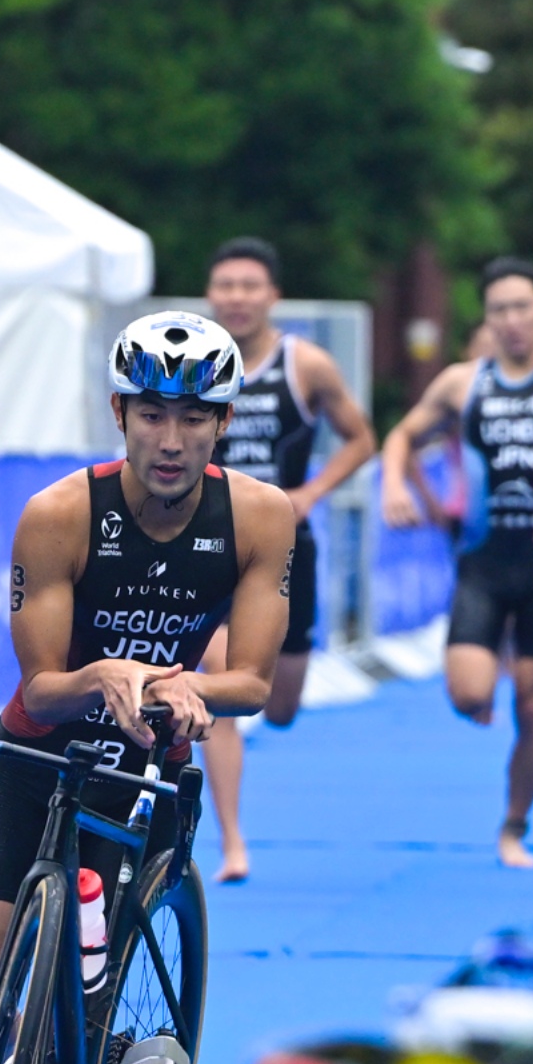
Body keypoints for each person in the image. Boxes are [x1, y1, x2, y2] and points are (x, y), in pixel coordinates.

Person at [0, 310, 295, 1064]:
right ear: (119, 414)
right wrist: (102, 674)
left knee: (71, 1024)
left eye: (193, 418)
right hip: (39, 755)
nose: (170, 439)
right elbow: (38, 687)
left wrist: (187, 686)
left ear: (222, 424)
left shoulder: (260, 518)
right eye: (151, 415)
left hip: (143, 770)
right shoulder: (59, 514)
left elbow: (253, 682)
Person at [377, 164, 533, 869]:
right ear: (486, 320)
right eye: (498, 311)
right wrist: (395, 482)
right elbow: (401, 436)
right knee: (467, 694)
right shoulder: (463, 383)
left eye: (522, 307)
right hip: (483, 563)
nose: (511, 321)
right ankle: (484, 684)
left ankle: (513, 826)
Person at [195, 237, 377, 884]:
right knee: (217, 685)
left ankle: (272, 699)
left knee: (277, 704)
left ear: (272, 295)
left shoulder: (306, 365)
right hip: (208, 546)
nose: (237, 298)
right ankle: (231, 841)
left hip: (284, 548)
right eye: (226, 286)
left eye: (249, 286)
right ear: (210, 295)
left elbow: (361, 439)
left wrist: (312, 493)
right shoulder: (194, 362)